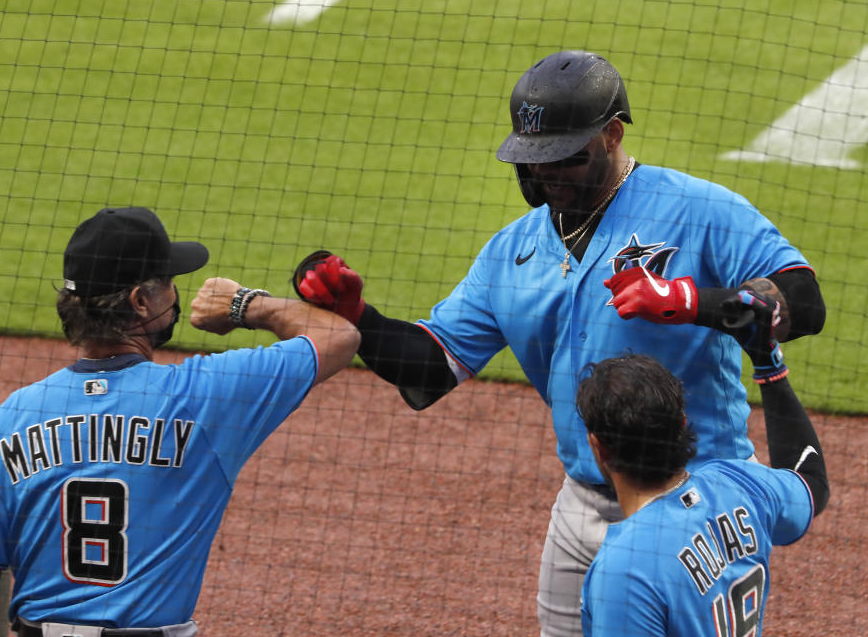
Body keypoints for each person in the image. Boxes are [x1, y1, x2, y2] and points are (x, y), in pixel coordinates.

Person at [290, 50, 826, 636]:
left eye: (564, 159)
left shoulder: (701, 210)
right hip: (585, 502)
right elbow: (431, 367)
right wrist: (359, 316)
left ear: (612, 135)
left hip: (699, 492)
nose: (546, 174)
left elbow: (803, 302)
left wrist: (692, 300)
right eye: (533, 158)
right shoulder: (510, 252)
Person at [0, 206, 360, 637]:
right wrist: (244, 305)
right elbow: (339, 337)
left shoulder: (19, 411)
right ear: (140, 302)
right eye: (168, 284)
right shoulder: (205, 395)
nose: (177, 294)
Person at [578, 301, 829, 636]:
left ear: (598, 446)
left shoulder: (625, 569)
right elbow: (811, 481)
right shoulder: (739, 485)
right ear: (682, 424)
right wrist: (769, 365)